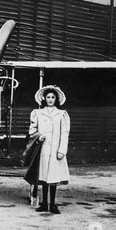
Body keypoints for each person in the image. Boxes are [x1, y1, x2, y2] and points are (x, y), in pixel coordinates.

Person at [28, 85, 70, 214]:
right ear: (44, 98)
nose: (50, 99)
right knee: (44, 177)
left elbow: (64, 132)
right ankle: (44, 203)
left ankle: (53, 204)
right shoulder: (38, 113)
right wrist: (39, 136)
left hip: (55, 150)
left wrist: (62, 150)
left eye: (53, 97)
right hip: (43, 150)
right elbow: (32, 130)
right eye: (48, 97)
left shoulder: (61, 114)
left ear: (56, 99)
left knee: (53, 178)